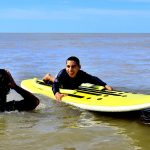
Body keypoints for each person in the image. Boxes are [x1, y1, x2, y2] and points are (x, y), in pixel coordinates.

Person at [43, 56, 113, 101]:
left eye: (73, 66)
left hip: (72, 85)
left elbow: (93, 79)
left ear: (79, 67)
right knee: (56, 81)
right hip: (62, 83)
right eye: (68, 66)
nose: (70, 69)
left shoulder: (82, 75)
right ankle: (49, 76)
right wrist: (56, 93)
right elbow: (55, 84)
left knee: (67, 85)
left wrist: (105, 85)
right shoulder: (62, 74)